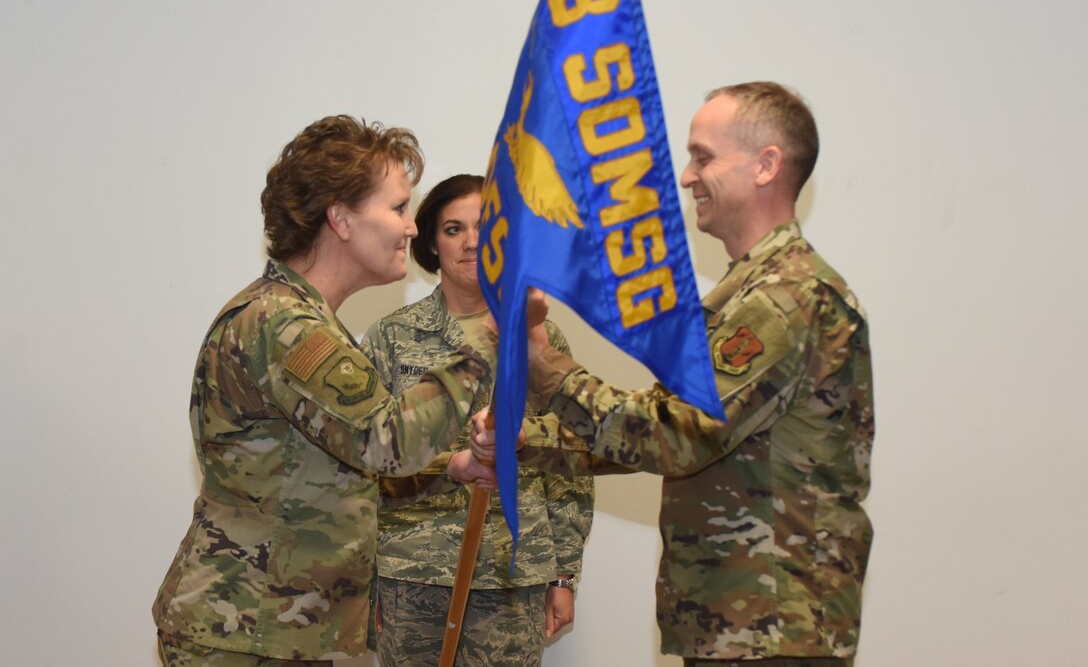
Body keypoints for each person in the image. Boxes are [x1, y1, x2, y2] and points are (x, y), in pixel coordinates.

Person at [475, 82, 874, 666]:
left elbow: (678, 436)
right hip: (740, 624)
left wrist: (544, 362)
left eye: (703, 157)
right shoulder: (746, 297)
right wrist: (525, 444)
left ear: (766, 165)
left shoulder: (790, 296)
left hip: (773, 628)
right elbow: (659, 431)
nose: (686, 177)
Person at [152, 117, 551, 666]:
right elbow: (389, 441)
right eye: (397, 208)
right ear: (340, 218)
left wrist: (451, 469)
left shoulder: (303, 320)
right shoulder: (286, 325)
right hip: (245, 628)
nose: (412, 230)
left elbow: (339, 470)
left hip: (275, 626)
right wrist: (492, 336)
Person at [359, 174, 594, 667]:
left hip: (512, 572)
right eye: (452, 229)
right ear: (430, 242)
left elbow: (571, 463)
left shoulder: (537, 336)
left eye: (486, 227)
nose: (471, 242)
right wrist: (365, 577)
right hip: (411, 569)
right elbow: (363, 460)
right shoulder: (390, 336)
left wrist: (563, 575)